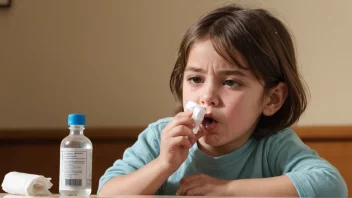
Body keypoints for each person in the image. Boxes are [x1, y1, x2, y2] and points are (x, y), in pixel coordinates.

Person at [98, 3, 347, 197]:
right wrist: (164, 164)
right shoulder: (159, 138)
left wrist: (227, 191)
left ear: (272, 98)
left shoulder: (273, 146)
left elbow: (330, 186)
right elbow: (107, 193)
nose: (207, 97)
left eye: (230, 82)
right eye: (196, 79)